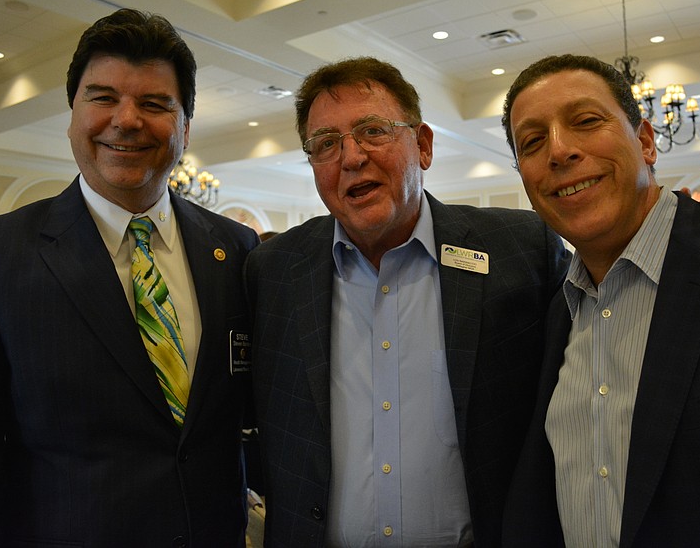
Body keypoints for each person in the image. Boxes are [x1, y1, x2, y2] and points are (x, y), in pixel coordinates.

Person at [500, 53, 700, 547]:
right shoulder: (552, 315)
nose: (560, 150)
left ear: (647, 141)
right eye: (532, 141)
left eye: (586, 121)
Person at [244, 56, 571, 547]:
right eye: (326, 144)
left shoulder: (520, 249)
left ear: (422, 145)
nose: (351, 158)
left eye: (373, 131)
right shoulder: (273, 272)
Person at [0, 9, 259, 546]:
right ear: (72, 112)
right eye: (103, 97)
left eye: (155, 104)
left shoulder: (236, 249)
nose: (127, 119)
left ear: (185, 127)